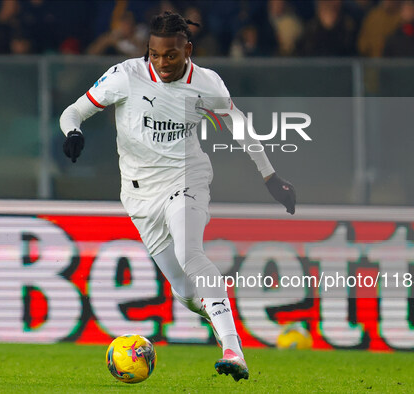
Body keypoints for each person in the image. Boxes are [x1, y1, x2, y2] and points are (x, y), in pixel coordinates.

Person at [59, 11, 296, 382]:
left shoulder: (208, 84)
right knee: (185, 292)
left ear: (188, 49)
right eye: (154, 54)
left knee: (190, 253)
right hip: (138, 197)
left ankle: (233, 349)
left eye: (170, 55)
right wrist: (73, 131)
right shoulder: (126, 76)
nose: (162, 62)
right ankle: (222, 312)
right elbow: (74, 110)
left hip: (187, 179)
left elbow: (239, 126)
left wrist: (270, 176)